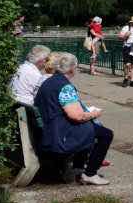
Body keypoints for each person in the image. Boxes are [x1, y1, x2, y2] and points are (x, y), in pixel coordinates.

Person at [33, 53, 114, 186]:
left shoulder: (49, 81)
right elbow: (77, 116)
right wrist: (94, 114)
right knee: (105, 134)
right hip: (58, 135)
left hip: (49, 128)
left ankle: (77, 167)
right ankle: (90, 174)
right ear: (71, 69)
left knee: (92, 127)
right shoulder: (65, 87)